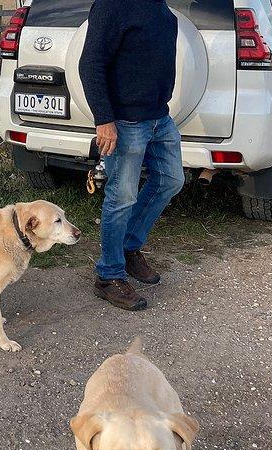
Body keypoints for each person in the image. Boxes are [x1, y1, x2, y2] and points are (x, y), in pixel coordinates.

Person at [80, 0, 186, 311]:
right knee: (121, 196)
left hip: (159, 118)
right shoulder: (113, 5)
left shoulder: (160, 6)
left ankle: (128, 247)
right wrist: (104, 119)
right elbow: (90, 63)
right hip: (125, 122)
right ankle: (108, 276)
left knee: (171, 180)